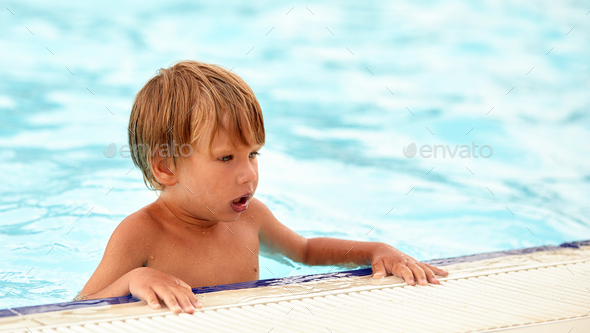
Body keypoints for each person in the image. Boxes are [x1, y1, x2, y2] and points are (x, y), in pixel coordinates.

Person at [75, 60, 448, 314]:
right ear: (165, 167)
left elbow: (304, 251)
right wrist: (133, 279)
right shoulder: (140, 234)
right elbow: (76, 308)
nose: (248, 175)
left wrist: (375, 251)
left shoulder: (250, 217)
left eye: (252, 154)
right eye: (226, 159)